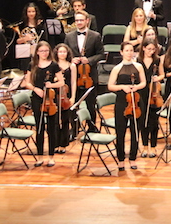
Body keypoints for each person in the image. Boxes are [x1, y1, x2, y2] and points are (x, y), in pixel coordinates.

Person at [23, 41, 65, 167]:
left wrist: (51, 85)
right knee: (39, 128)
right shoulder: (33, 65)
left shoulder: (54, 65)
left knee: (52, 128)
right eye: (42, 51)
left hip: (50, 98)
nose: (44, 53)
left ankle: (51, 156)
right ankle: (40, 156)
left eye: (46, 51)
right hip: (37, 98)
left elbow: (61, 82)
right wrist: (36, 89)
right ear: (37, 52)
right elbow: (27, 83)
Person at [107, 42, 146, 170]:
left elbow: (144, 83)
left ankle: (133, 158)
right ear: (121, 52)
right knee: (121, 130)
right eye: (127, 50)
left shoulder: (139, 66)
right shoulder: (117, 68)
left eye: (131, 50)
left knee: (135, 130)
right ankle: (121, 159)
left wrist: (136, 87)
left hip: (136, 101)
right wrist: (122, 87)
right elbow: (110, 86)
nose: (129, 53)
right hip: (122, 101)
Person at [65, 10, 105, 132]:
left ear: (87, 21)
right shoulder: (69, 36)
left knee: (90, 104)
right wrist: (72, 59)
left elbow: (101, 54)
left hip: (89, 75)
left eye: (81, 20)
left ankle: (91, 127)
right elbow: (64, 55)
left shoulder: (95, 36)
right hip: (73, 75)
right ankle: (74, 129)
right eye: (77, 20)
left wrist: (89, 60)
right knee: (73, 103)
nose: (79, 22)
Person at [138, 37, 163, 158]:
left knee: (154, 121)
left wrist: (158, 78)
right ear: (143, 48)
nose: (151, 52)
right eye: (149, 49)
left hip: (154, 93)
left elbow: (162, 74)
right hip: (142, 92)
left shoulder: (157, 60)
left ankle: (153, 146)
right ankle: (144, 146)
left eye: (153, 49)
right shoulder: (138, 60)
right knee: (143, 121)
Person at [54, 43, 77, 152]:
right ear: (56, 53)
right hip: (54, 96)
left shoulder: (72, 66)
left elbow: (73, 82)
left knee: (65, 120)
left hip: (66, 97)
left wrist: (73, 97)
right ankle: (55, 144)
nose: (62, 54)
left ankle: (63, 145)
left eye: (64, 52)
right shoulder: (53, 65)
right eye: (60, 52)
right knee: (54, 121)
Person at [15, 2, 48, 71]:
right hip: (25, 54)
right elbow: (17, 41)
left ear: (36, 12)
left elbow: (45, 40)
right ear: (26, 13)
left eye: (33, 11)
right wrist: (25, 39)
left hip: (38, 53)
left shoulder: (41, 24)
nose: (31, 13)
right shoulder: (21, 25)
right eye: (29, 12)